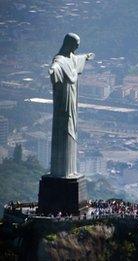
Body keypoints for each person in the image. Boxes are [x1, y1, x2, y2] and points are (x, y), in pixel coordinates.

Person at [49, 33, 94, 177]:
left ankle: (70, 170)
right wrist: (53, 70)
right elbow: (56, 66)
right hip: (64, 100)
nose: (77, 47)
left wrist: (86, 56)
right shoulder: (60, 60)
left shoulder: (72, 58)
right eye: (75, 45)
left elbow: (77, 59)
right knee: (64, 127)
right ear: (68, 44)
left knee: (72, 127)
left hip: (73, 99)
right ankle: (62, 171)